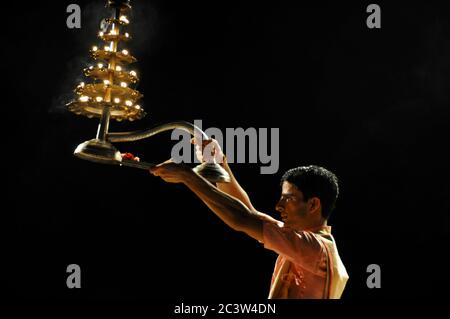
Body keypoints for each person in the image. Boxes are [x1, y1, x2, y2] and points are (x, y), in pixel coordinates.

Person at [147, 139, 349, 299]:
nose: (278, 206)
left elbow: (241, 218)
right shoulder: (307, 242)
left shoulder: (315, 249)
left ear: (313, 204)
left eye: (289, 199)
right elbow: (248, 213)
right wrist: (219, 164)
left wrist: (188, 177)